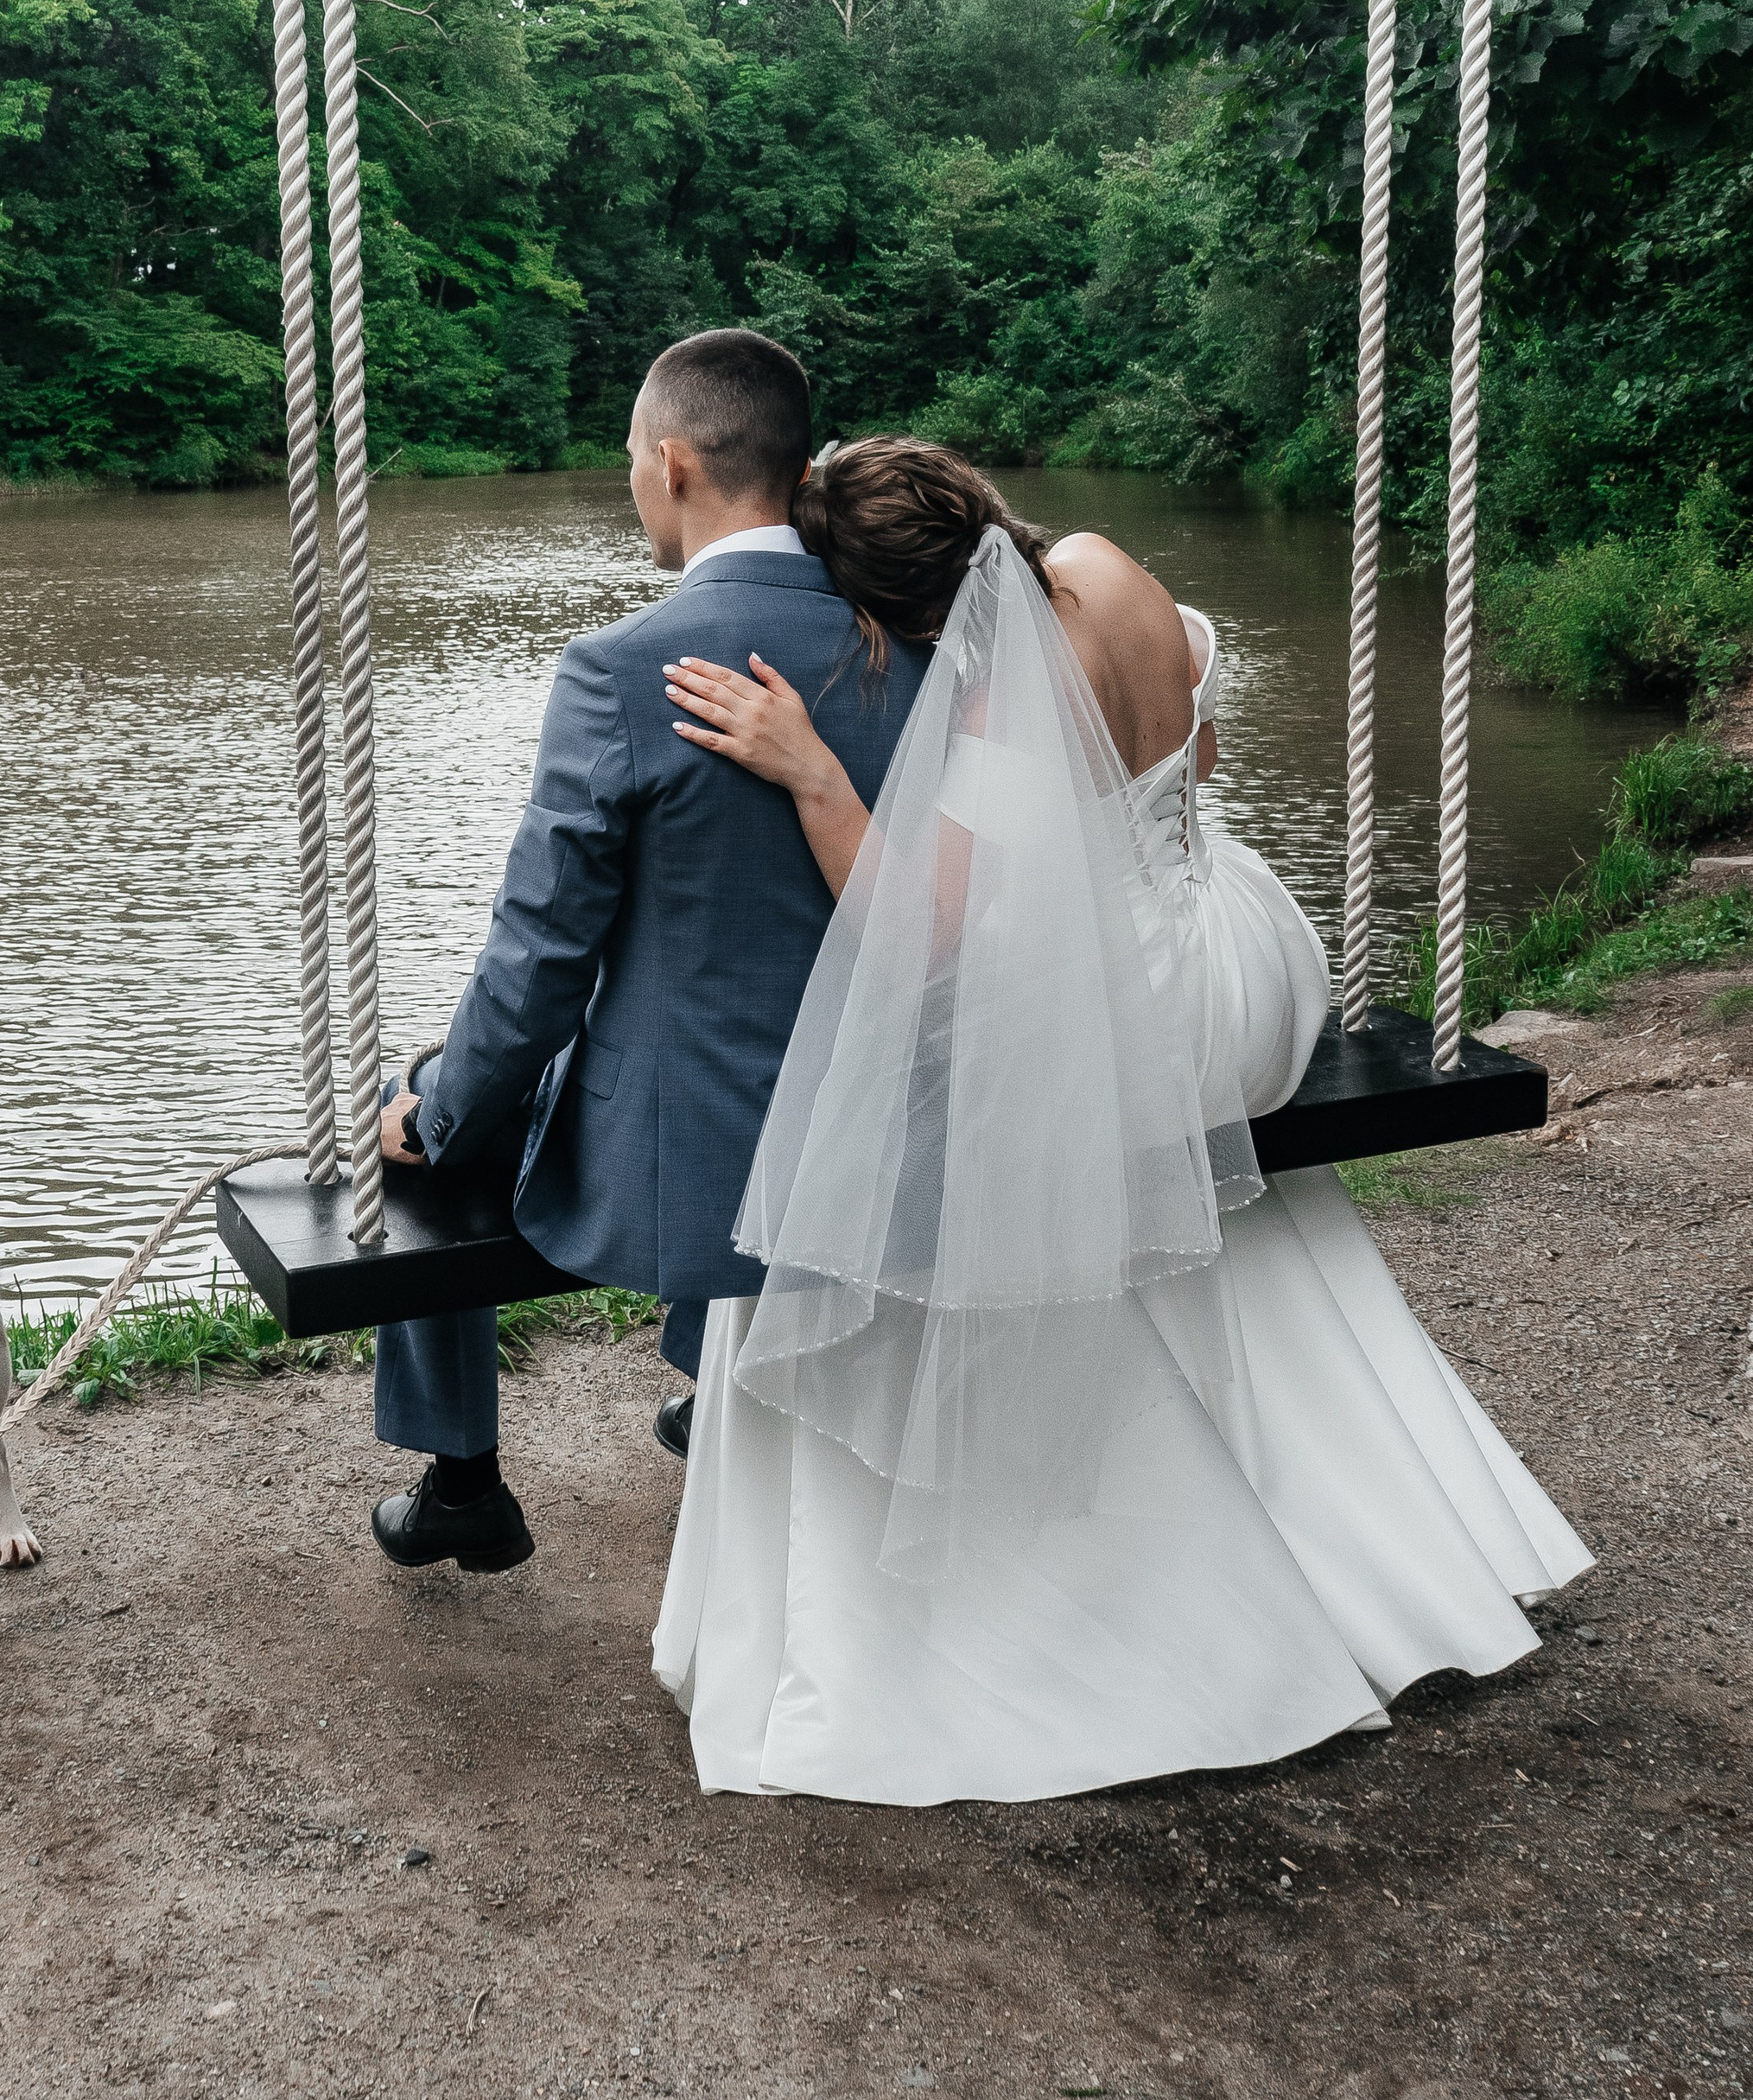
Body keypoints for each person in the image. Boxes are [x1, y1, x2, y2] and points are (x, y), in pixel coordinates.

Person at [651, 438, 1591, 1803]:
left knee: (884, 1117)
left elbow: (923, 928)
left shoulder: (982, 693)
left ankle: (1000, 1534)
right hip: (1250, 955)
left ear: (900, 611)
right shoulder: (1101, 565)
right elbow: (1193, 749)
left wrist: (815, 776)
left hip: (1160, 1024)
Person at [365, 334, 928, 1577]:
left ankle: (462, 1474)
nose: (633, 482)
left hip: (702, 1160)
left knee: (426, 1097)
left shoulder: (623, 671)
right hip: (874, 1124)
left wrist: (437, 1108)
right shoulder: (910, 641)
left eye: (631, 458)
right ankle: (701, 1378)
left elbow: (539, 965)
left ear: (673, 463)